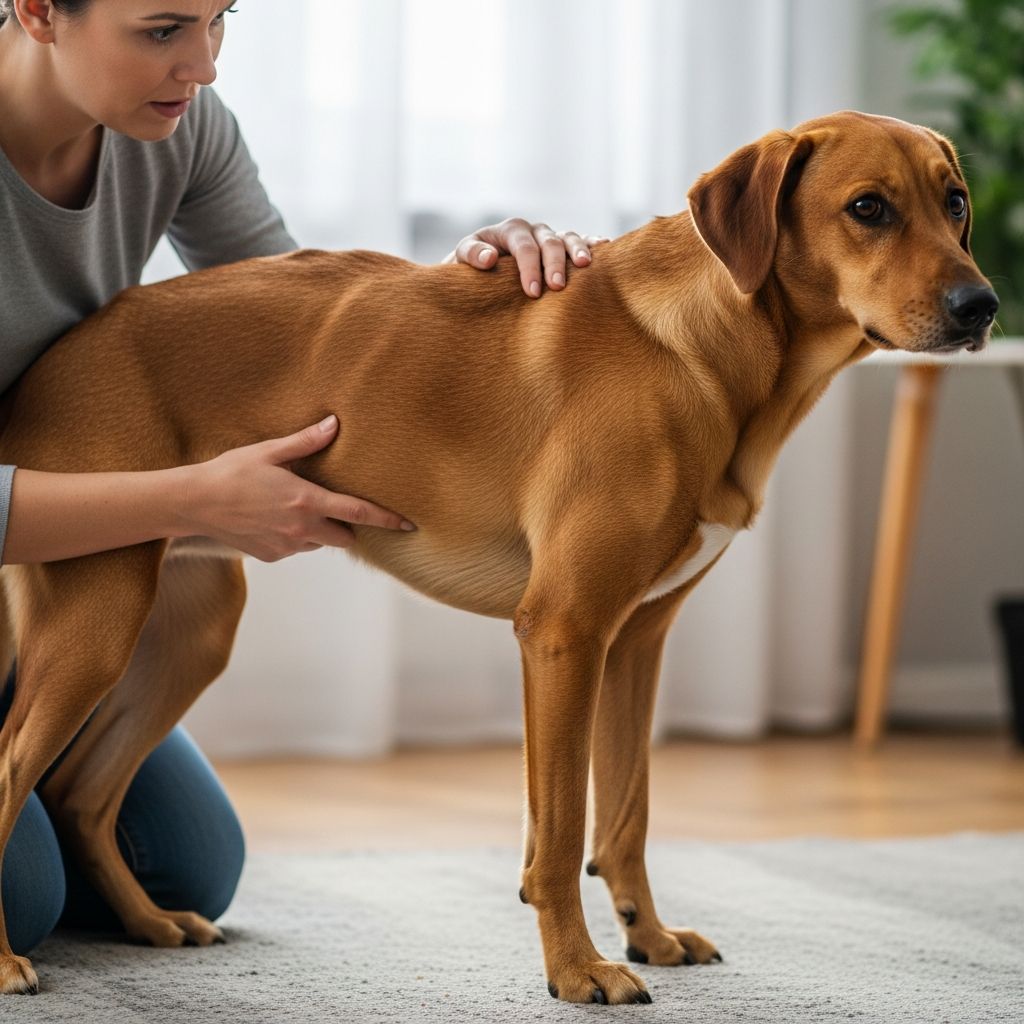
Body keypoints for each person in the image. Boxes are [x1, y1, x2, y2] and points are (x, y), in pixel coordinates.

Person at [0, 0, 601, 957]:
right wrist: (190, 496)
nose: (201, 65)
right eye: (162, 30)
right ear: (37, 10)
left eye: (218, 19)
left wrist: (460, 295)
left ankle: (59, 791)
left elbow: (300, 324)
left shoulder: (179, 127)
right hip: (42, 507)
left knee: (188, 864)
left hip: (54, 508)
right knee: (22, 902)